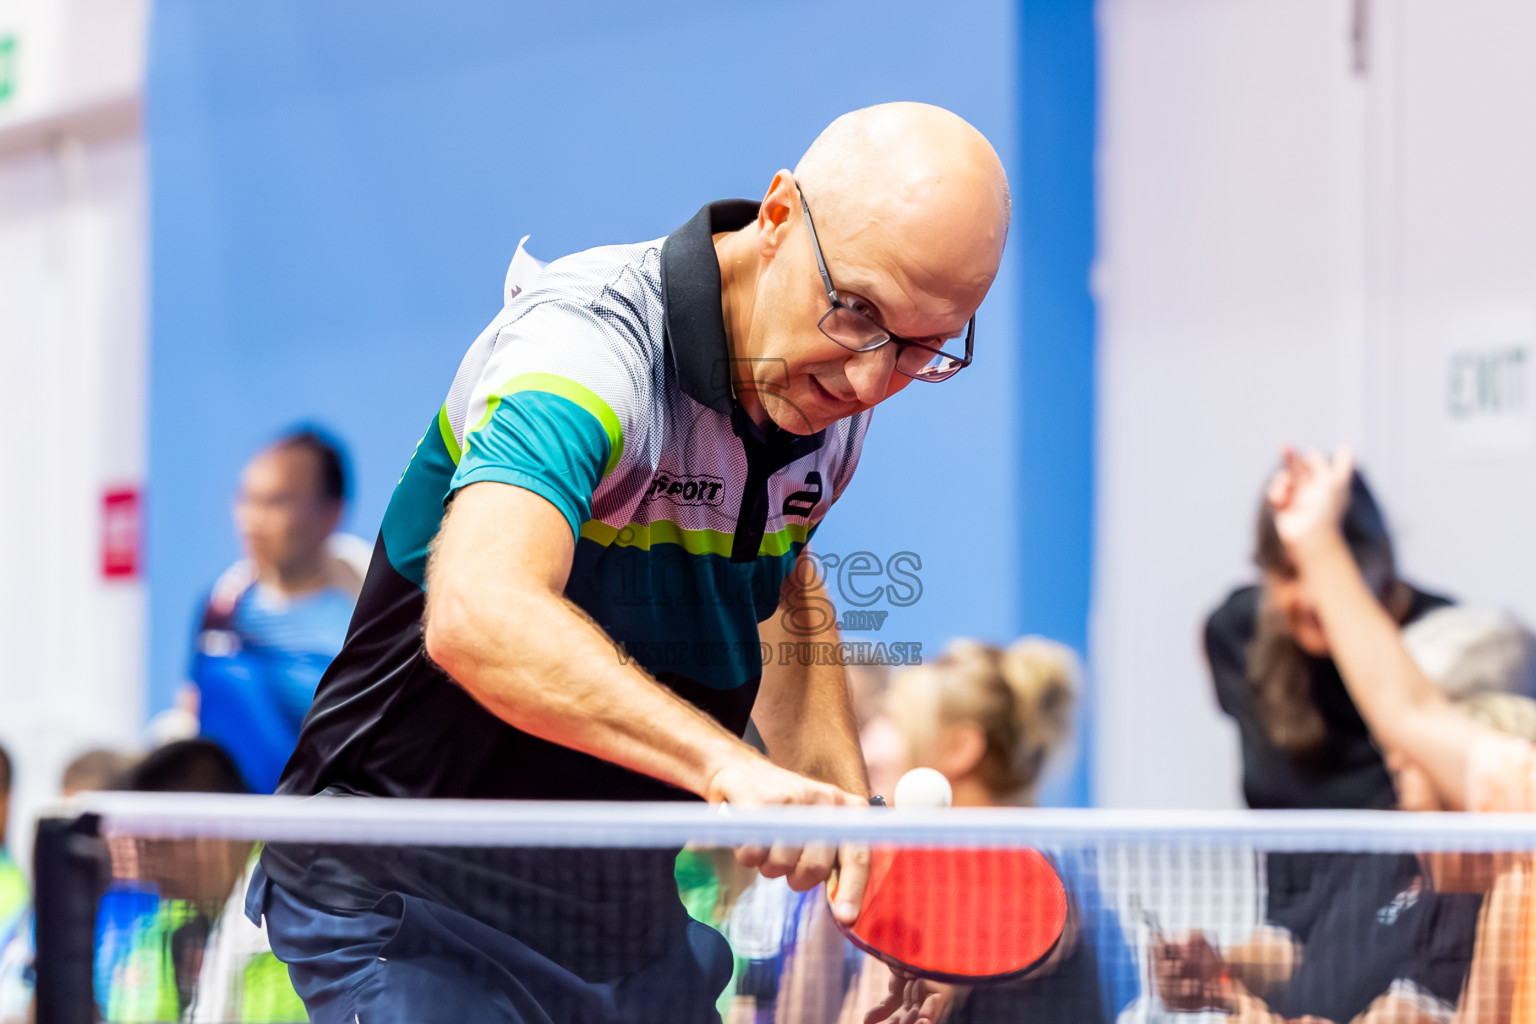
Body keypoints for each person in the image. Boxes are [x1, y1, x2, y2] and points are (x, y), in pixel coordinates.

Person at [246, 102, 1011, 1024]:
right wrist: (729, 767)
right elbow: (478, 610)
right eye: (855, 311)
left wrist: (857, 854)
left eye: (925, 346)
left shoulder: (830, 408)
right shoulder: (586, 348)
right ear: (775, 219)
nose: (865, 381)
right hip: (408, 884)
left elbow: (772, 584)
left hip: (610, 911)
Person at [848, 638, 1139, 1024]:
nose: (870, 749)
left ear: (958, 748)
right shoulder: (1047, 857)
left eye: (896, 723)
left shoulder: (1014, 873)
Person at [187, 428, 367, 793]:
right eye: (247, 499)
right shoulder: (221, 613)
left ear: (330, 513)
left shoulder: (368, 619)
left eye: (277, 502)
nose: (252, 521)